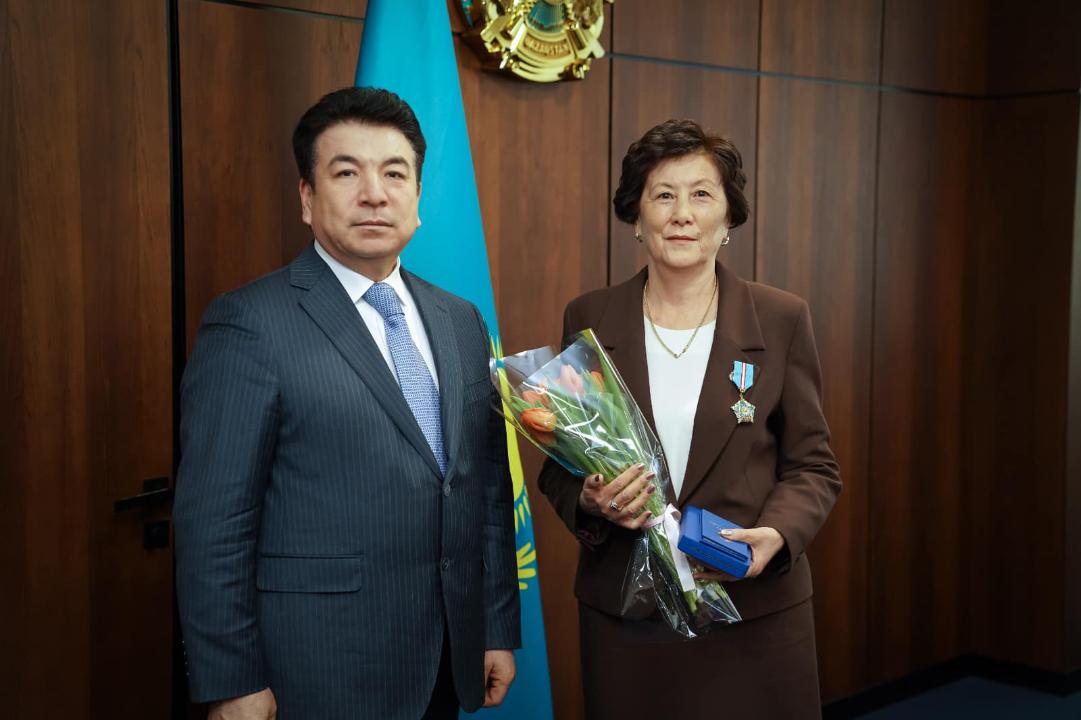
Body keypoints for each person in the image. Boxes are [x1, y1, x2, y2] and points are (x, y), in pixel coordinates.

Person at [174, 86, 519, 720]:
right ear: (307, 198)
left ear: (417, 196)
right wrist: (232, 679)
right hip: (317, 667)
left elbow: (487, 488)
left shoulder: (461, 320)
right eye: (346, 173)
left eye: (395, 173)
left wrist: (494, 624)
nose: (374, 194)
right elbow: (214, 524)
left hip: (446, 657)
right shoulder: (249, 323)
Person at [538, 119, 842, 718]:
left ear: (728, 217)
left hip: (752, 609)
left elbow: (813, 466)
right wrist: (590, 498)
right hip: (628, 617)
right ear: (636, 214)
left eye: (701, 194)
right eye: (663, 195)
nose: (682, 214)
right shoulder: (590, 316)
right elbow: (558, 465)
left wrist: (775, 536)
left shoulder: (781, 319)